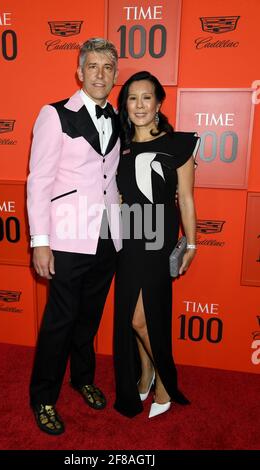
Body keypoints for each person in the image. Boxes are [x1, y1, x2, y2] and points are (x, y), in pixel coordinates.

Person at [27, 38, 121, 435]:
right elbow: (40, 180)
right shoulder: (55, 115)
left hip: (107, 236)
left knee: (89, 318)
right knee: (59, 321)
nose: (100, 74)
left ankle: (82, 377)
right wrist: (40, 240)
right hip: (65, 237)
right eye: (93, 66)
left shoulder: (118, 117)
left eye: (107, 68)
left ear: (115, 76)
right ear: (79, 72)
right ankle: (43, 397)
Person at [113, 71, 200, 418]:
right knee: (133, 319)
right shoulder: (120, 145)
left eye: (146, 97)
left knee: (142, 318)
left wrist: (191, 244)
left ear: (159, 102)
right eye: (132, 98)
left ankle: (164, 380)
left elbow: (188, 200)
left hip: (157, 240)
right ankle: (146, 374)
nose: (139, 105)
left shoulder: (179, 144)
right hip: (127, 239)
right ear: (126, 104)